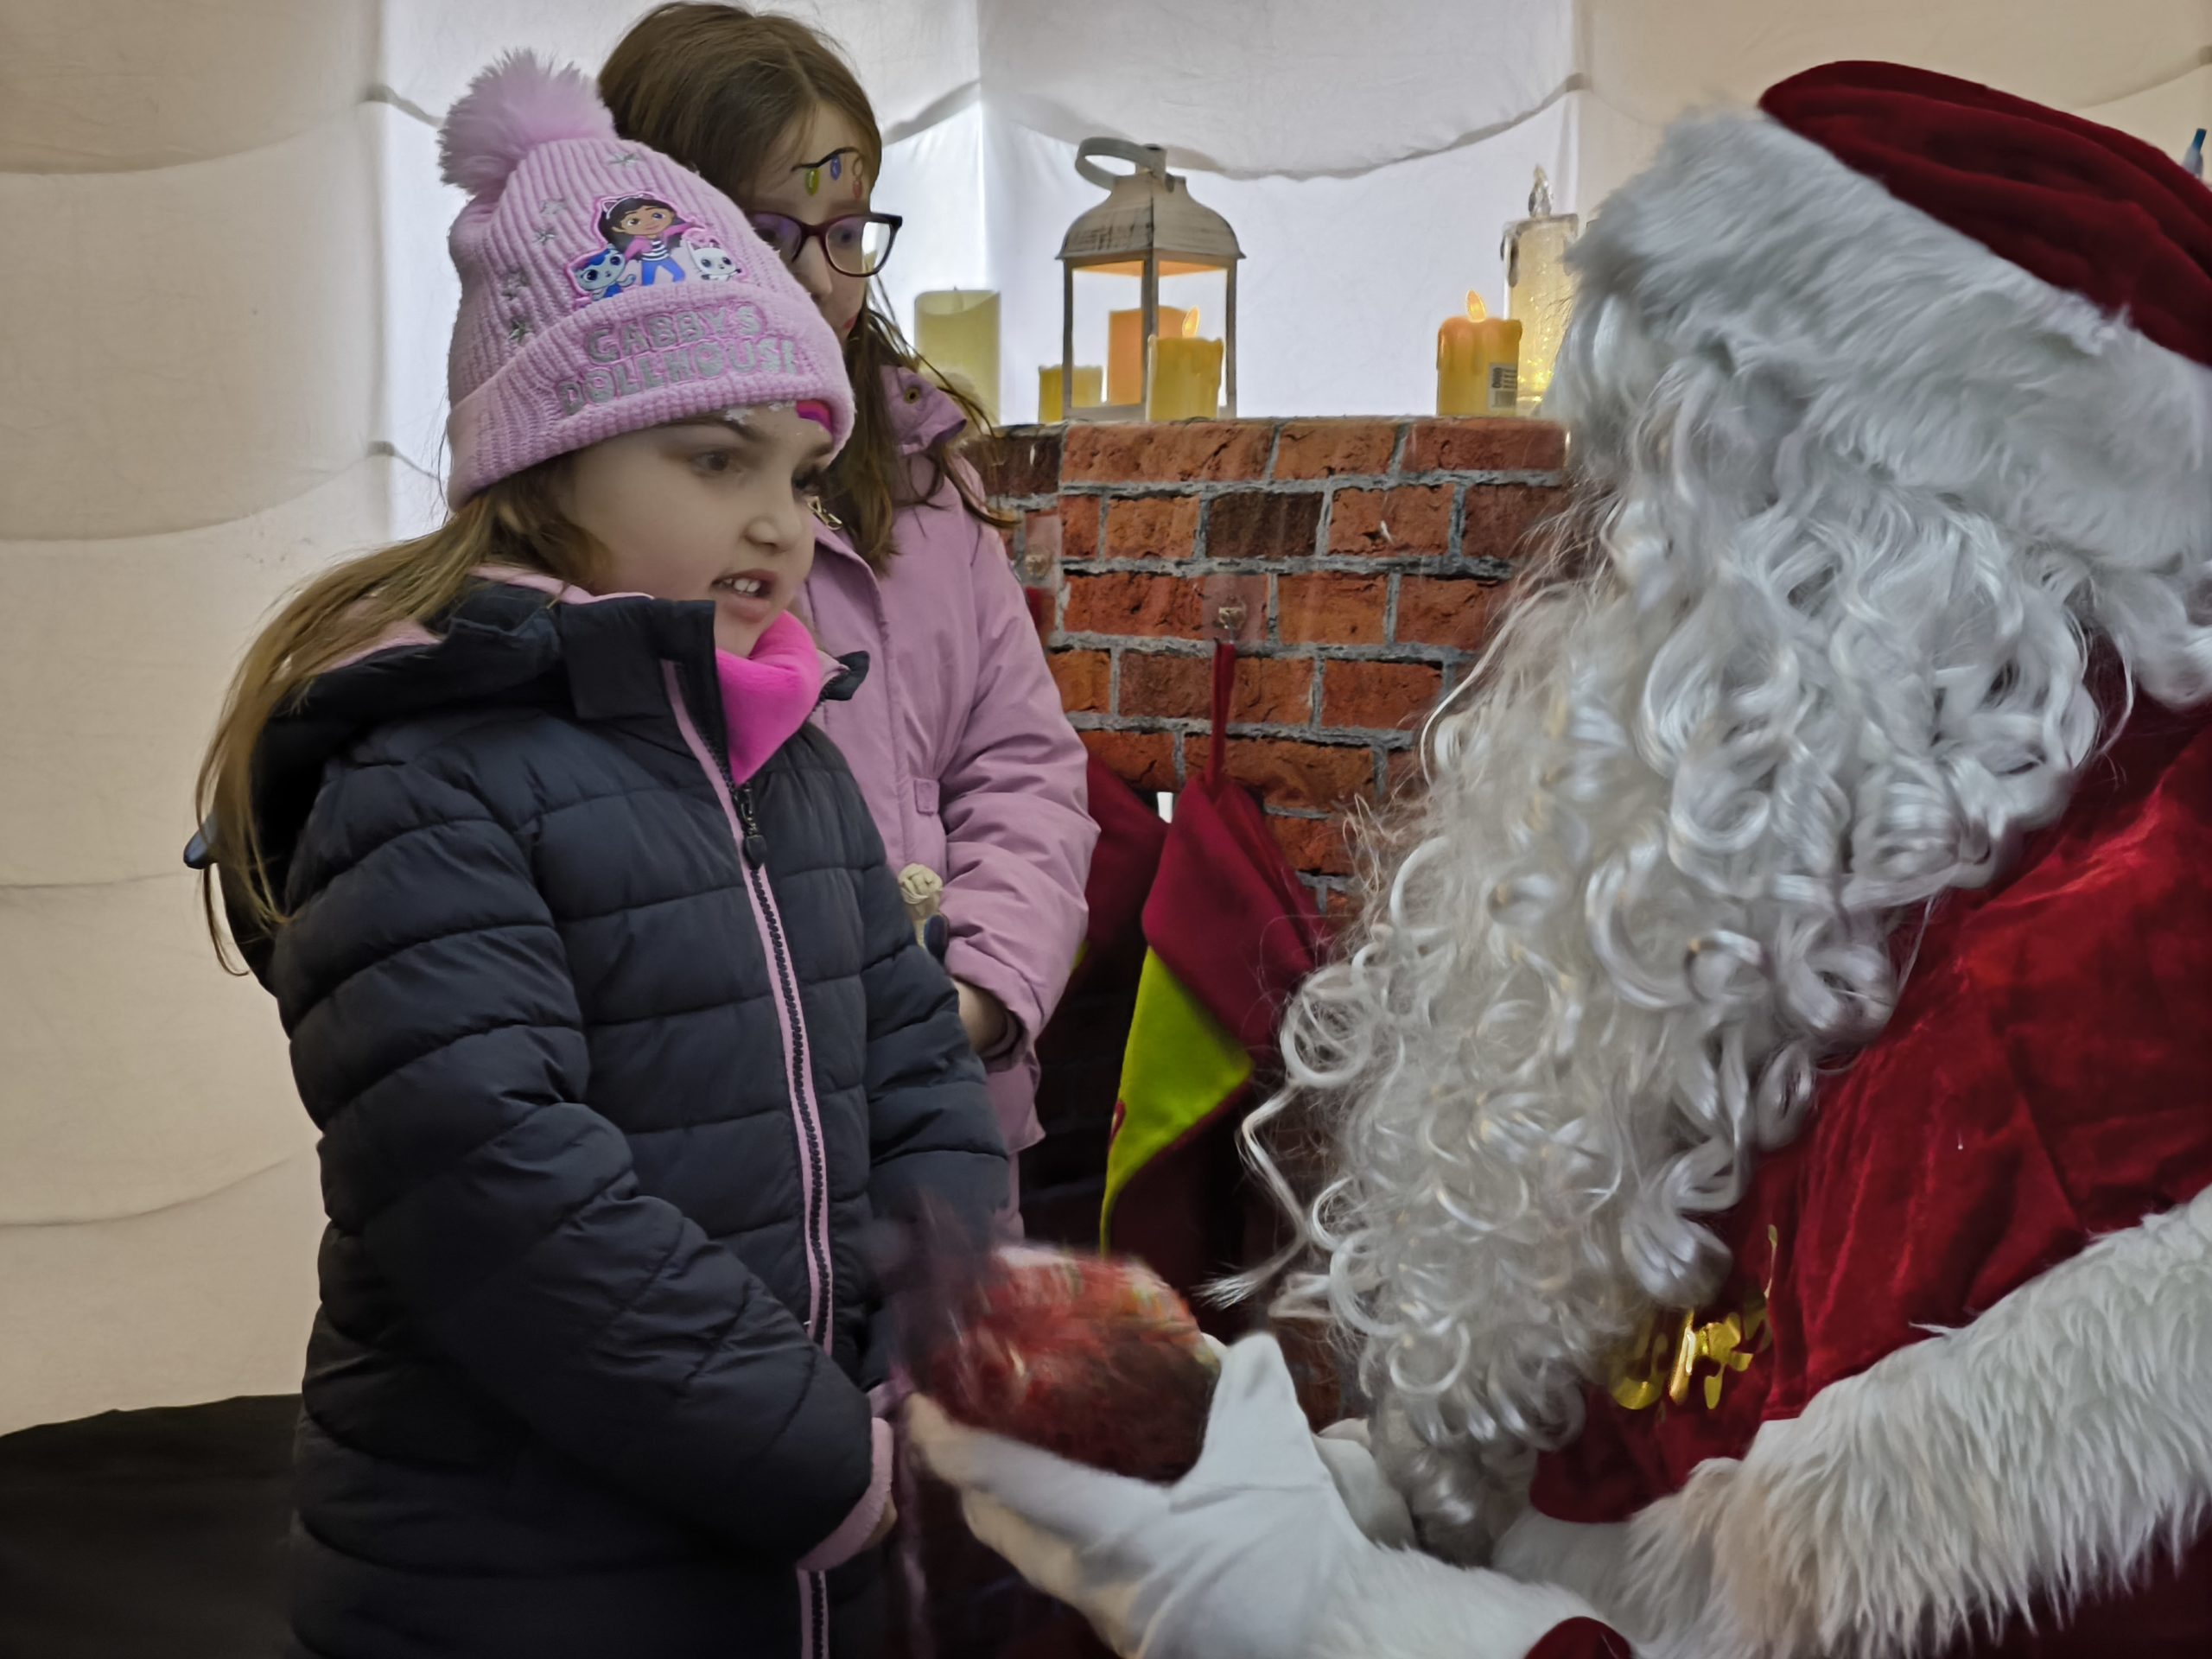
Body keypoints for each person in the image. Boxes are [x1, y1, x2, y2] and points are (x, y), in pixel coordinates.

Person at [910, 60, 2212, 1657]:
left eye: (1712, 496)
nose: (1633, 578)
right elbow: (1638, 1436)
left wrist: (1322, 1607)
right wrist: (1341, 1504)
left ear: (1937, 525)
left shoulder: (2111, 1021)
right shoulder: (1832, 875)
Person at [190, 54, 1006, 1659]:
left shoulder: (791, 767)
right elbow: (507, 1200)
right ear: (549, 463)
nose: (781, 523)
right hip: (522, 1585)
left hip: (791, 1577)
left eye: (795, 473)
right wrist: (827, 1464)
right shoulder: (429, 776)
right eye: (715, 461)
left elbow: (922, 1076)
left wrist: (936, 1352)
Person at [601, 5, 1096, 1229]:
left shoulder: (926, 480)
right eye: (770, 234)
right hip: (727, 1151)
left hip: (950, 1124)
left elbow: (1022, 764)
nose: (822, 280)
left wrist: (978, 993)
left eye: (845, 231)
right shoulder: (612, 498)